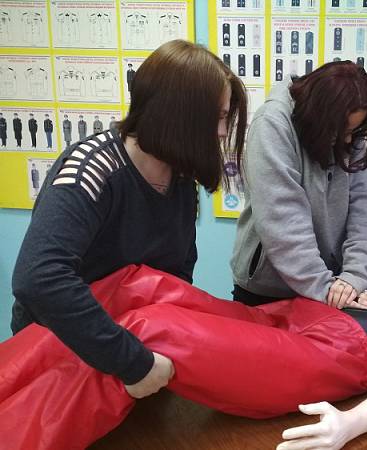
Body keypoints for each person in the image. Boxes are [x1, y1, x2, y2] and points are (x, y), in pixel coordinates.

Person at [0, 263, 367, 450]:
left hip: (325, 354)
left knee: (148, 335)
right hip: (276, 319)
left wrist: (350, 424)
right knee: (136, 284)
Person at [10, 40, 247, 402]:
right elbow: (39, 279)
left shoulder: (179, 178)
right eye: (217, 117)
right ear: (179, 113)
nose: (221, 132)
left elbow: (176, 274)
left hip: (132, 353)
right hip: (60, 354)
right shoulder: (91, 171)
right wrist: (131, 361)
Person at [231, 61, 367, 311]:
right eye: (343, 131)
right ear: (319, 117)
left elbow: (363, 208)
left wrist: (354, 278)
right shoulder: (273, 123)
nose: (348, 139)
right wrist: (326, 289)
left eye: (353, 131)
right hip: (268, 288)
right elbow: (282, 217)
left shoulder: (348, 130)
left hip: (329, 284)